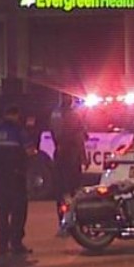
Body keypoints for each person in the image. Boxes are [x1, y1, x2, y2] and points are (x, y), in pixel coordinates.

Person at [0, 105, 34, 258]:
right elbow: (29, 150)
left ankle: (2, 246)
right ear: (15, 115)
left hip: (0, 178)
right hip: (16, 177)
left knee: (2, 213)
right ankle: (16, 244)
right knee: (18, 212)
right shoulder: (18, 130)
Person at [49, 98, 89, 233]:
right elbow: (79, 138)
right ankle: (73, 222)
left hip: (59, 156)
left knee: (61, 193)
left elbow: (53, 132)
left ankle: (63, 223)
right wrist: (84, 157)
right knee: (74, 192)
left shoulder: (55, 114)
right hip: (71, 157)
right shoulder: (74, 115)